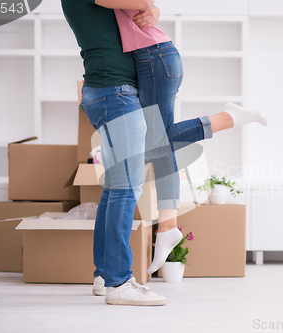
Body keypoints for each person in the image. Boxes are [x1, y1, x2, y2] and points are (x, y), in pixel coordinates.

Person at [61, 0, 266, 306]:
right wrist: (151, 7)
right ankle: (119, 282)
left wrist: (151, 10)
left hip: (112, 90)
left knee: (118, 185)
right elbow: (141, 2)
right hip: (113, 91)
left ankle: (105, 277)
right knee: (127, 186)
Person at [113, 8, 268, 276]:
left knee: (156, 143)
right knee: (160, 146)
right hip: (153, 60)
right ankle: (167, 228)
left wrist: (151, 7)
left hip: (155, 59)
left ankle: (230, 117)